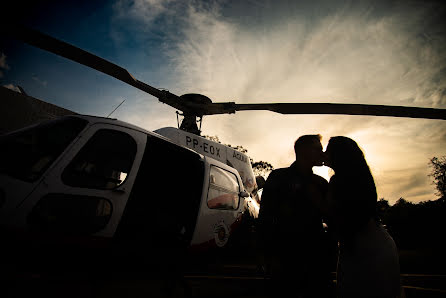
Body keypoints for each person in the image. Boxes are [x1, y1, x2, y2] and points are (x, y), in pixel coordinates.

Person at [257, 134, 334, 298]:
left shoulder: (321, 183)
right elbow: (265, 216)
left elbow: (331, 219)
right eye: (318, 149)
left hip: (315, 258)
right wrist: (266, 253)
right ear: (303, 151)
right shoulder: (278, 177)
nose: (322, 153)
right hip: (285, 255)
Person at [324, 136, 401, 298]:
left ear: (337, 155)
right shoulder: (361, 178)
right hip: (379, 243)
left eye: (327, 150)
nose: (324, 153)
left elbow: (333, 216)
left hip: (364, 249)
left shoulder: (338, 182)